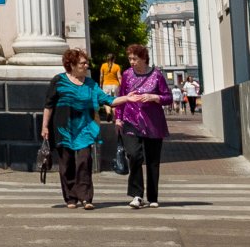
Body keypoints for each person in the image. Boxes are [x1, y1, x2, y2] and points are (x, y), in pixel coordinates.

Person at [42, 49, 131, 210]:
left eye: (86, 62)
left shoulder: (91, 84)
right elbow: (48, 105)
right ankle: (71, 197)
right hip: (63, 129)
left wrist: (128, 98)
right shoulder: (59, 81)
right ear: (72, 65)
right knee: (66, 163)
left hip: (85, 128)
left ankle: (85, 197)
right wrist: (45, 126)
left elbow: (108, 99)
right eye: (83, 63)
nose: (87, 65)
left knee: (85, 160)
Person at [115, 42, 171, 207]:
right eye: (130, 58)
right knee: (134, 155)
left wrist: (155, 98)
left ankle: (153, 197)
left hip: (153, 123)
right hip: (131, 120)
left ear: (144, 58)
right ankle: (136, 195)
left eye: (135, 58)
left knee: (153, 160)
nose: (132, 62)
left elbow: (168, 97)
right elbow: (121, 97)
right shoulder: (126, 74)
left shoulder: (157, 75)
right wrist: (118, 118)